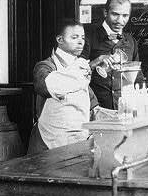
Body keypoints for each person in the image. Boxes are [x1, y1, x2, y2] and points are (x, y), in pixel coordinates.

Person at [28, 19, 99, 155]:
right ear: (60, 39)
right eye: (74, 37)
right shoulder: (45, 66)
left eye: (82, 38)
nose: (80, 42)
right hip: (49, 142)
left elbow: (94, 107)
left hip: (77, 141)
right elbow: (44, 86)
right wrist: (88, 67)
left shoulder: (81, 67)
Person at [81, 0, 144, 109]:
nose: (120, 21)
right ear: (105, 13)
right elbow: (75, 74)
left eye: (125, 15)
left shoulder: (131, 41)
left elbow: (137, 76)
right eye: (115, 14)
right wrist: (96, 61)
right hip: (94, 108)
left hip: (124, 108)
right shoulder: (87, 37)